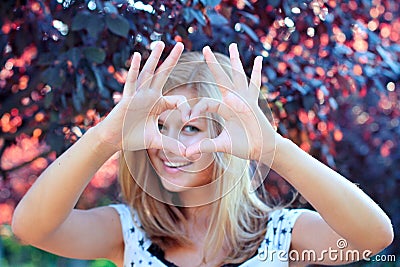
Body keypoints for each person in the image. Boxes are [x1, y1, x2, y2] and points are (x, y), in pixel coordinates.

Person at [12, 41, 393, 267]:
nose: (168, 147)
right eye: (159, 128)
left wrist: (274, 150)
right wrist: (104, 139)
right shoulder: (127, 232)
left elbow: (373, 238)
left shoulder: (284, 236)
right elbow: (29, 229)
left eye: (191, 127)